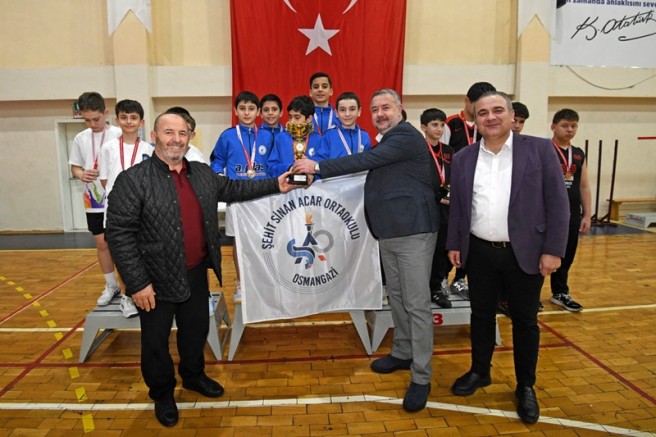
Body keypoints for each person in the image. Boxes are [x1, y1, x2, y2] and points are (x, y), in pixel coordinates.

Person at [105, 112, 306, 427]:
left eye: (182, 133)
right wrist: (138, 282)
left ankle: (193, 375)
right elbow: (119, 234)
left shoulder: (201, 173)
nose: (176, 139)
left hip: (196, 271)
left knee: (196, 330)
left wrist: (277, 184)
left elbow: (236, 189)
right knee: (155, 342)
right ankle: (162, 393)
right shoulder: (132, 180)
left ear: (190, 137)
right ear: (154, 137)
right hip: (154, 279)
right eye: (168, 132)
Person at [292, 89, 440, 413]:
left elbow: (364, 161)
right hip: (390, 230)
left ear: (400, 108)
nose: (380, 113)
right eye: (375, 109)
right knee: (398, 297)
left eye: (386, 107)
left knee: (416, 304)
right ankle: (403, 352)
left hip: (414, 230)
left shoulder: (404, 136)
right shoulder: (388, 140)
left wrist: (317, 166)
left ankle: (421, 376)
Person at [446, 91, 569, 424]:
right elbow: (459, 207)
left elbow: (558, 203)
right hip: (479, 251)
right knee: (480, 315)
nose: (491, 117)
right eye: (483, 112)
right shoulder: (464, 157)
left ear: (512, 115)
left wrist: (553, 250)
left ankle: (526, 385)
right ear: (475, 119)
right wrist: (455, 243)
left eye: (498, 110)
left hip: (525, 253)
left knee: (525, 321)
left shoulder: (539, 149)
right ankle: (480, 371)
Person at [209, 91, 274, 301]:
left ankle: (263, 282)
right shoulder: (227, 136)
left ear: (258, 112)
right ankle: (241, 283)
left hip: (262, 196)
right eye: (242, 108)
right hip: (236, 196)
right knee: (238, 241)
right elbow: (217, 160)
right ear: (235, 111)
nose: (247, 113)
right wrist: (219, 175)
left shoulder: (267, 136)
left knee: (264, 239)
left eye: (251, 109)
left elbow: (273, 164)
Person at [97, 99, 152, 318]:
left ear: (141, 122)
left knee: (143, 251)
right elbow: (104, 180)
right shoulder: (108, 148)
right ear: (117, 120)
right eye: (124, 117)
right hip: (117, 210)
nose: (129, 122)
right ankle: (126, 296)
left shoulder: (149, 149)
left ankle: (145, 291)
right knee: (122, 253)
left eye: (134, 117)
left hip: (143, 209)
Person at [442, 82, 497, 299]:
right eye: (479, 105)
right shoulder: (451, 124)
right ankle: (441, 279)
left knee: (472, 236)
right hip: (453, 191)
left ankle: (460, 279)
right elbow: (440, 157)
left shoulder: (488, 126)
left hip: (481, 190)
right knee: (451, 235)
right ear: (467, 101)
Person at [68, 92, 122, 306]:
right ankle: (111, 284)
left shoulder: (118, 133)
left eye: (96, 119)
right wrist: (81, 174)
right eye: (87, 120)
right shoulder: (81, 138)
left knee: (122, 242)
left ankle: (129, 287)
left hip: (117, 196)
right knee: (101, 243)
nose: (92, 124)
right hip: (93, 198)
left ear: (105, 113)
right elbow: (74, 166)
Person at [549, 108, 590, 312]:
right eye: (565, 125)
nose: (570, 129)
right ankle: (531, 295)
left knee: (567, 253)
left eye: (573, 126)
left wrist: (587, 214)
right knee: (540, 253)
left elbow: (584, 186)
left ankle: (560, 292)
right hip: (548, 213)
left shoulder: (578, 154)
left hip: (572, 213)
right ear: (553, 126)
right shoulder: (544, 150)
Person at [420, 108, 455, 309]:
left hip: (445, 209)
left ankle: (436, 287)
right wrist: (436, 196)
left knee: (441, 249)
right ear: (423, 127)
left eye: (442, 125)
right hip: (425, 208)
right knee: (424, 251)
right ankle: (420, 288)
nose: (439, 129)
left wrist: (448, 194)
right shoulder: (417, 150)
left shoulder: (449, 151)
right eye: (434, 124)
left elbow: (452, 177)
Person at [267, 95, 322, 177]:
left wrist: (310, 168)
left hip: (312, 184)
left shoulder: (319, 140)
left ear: (309, 118)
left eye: (297, 117)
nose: (292, 121)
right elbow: (271, 168)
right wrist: (289, 167)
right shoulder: (280, 138)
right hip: (286, 183)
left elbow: (323, 168)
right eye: (290, 117)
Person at [315, 91, 371, 160]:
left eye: (352, 109)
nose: (347, 114)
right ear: (336, 113)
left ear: (359, 111)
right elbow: (319, 162)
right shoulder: (328, 136)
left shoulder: (364, 136)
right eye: (342, 110)